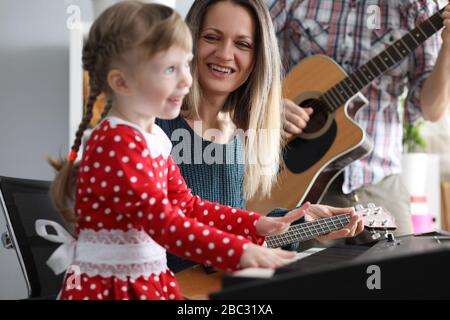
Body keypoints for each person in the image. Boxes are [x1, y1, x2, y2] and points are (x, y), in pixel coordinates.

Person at [44, 1, 310, 300]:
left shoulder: (155, 137)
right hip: (114, 289)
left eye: (185, 64)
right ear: (122, 82)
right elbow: (163, 222)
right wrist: (239, 251)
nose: (186, 80)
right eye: (170, 68)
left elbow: (187, 206)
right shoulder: (115, 143)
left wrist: (256, 224)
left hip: (149, 279)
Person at [155, 0, 364, 272]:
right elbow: (160, 234)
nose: (225, 54)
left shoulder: (247, 134)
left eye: (242, 44)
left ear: (257, 60)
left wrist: (299, 222)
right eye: (211, 37)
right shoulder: (154, 123)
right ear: (189, 42)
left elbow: (232, 228)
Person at [268, 0, 450, 236]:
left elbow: (431, 110)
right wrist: (268, 107)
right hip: (293, 182)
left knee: (400, 271)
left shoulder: (418, 8)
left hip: (379, 184)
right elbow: (242, 52)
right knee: (299, 271)